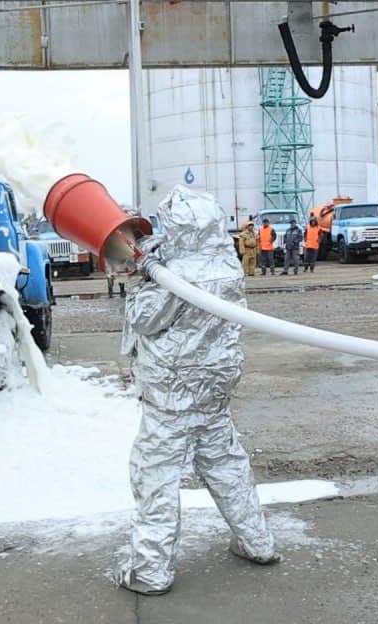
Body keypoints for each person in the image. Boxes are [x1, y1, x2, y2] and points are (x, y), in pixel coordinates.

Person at [115, 186, 279, 596]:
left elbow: (145, 320)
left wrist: (142, 279)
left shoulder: (176, 275)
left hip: (173, 390)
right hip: (215, 386)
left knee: (156, 474)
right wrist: (157, 260)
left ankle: (149, 570)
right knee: (225, 463)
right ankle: (257, 542)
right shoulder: (226, 263)